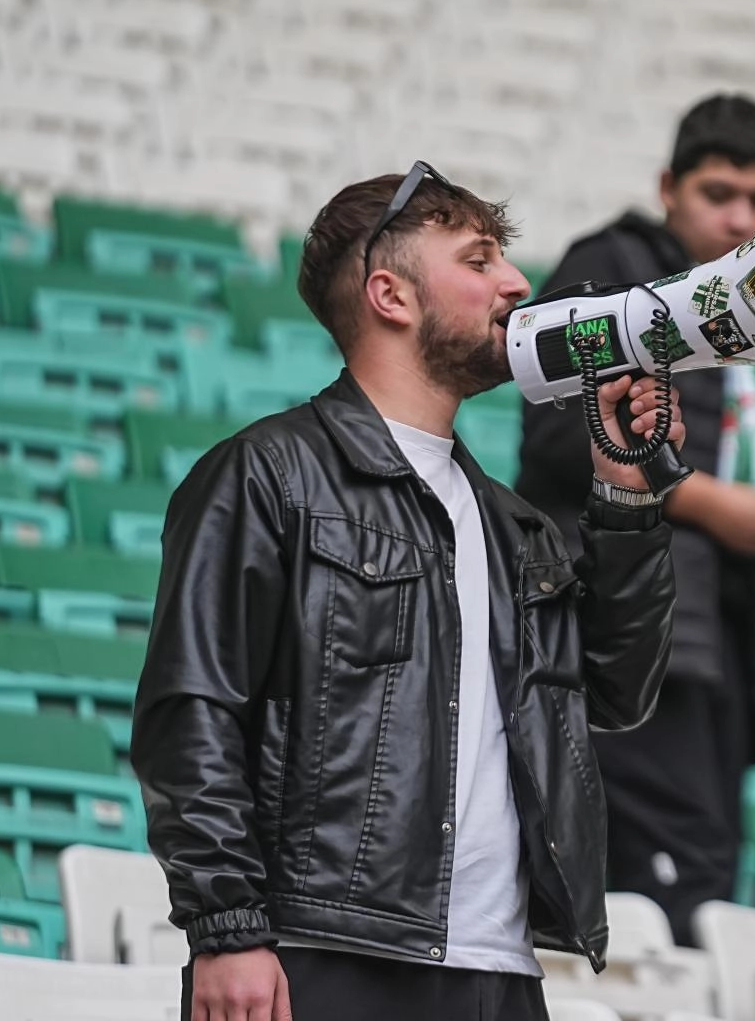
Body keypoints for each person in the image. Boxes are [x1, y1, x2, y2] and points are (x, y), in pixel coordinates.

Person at [131, 164, 683, 1021]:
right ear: (390, 295)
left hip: (500, 970)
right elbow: (192, 709)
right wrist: (228, 928)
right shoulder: (265, 474)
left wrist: (627, 494)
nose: (517, 284)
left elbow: (614, 690)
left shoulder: (513, 525)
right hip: (327, 954)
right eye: (479, 259)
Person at [516, 93, 755, 945]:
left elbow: (742, 476)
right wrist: (718, 508)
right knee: (672, 880)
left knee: (706, 873)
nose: (740, 219)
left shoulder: (754, 309)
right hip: (617, 623)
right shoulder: (610, 264)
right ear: (667, 188)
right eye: (718, 194)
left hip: (713, 640)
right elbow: (559, 435)